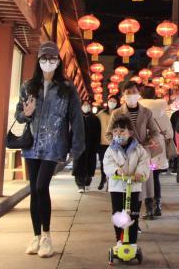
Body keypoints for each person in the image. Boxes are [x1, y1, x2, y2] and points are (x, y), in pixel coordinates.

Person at [15, 41, 85, 258]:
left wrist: (77, 146)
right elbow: (19, 116)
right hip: (32, 144)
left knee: (41, 186)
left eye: (52, 59)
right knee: (33, 190)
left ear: (58, 61)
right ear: (38, 61)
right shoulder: (28, 86)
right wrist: (26, 113)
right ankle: (36, 236)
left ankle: (46, 237)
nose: (48, 62)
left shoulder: (66, 87)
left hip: (55, 145)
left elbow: (76, 117)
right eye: (44, 58)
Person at [111, 82, 161, 219]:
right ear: (123, 95)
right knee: (126, 191)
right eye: (127, 93)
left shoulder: (146, 112)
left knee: (140, 190)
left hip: (142, 154)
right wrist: (120, 142)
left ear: (139, 94)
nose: (131, 95)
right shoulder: (117, 113)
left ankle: (135, 219)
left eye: (133, 92)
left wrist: (152, 139)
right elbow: (109, 134)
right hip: (124, 155)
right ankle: (127, 219)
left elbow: (155, 131)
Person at [103, 115, 150, 249]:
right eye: (115, 131)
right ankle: (119, 240)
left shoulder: (139, 149)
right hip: (117, 187)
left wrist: (140, 173)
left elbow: (144, 162)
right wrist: (116, 171)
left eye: (122, 131)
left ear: (130, 133)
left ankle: (132, 242)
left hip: (134, 187)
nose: (118, 134)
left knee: (133, 214)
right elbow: (107, 164)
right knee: (118, 214)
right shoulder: (111, 150)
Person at [139, 85, 173, 218]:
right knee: (156, 177)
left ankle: (149, 209)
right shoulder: (162, 111)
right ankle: (157, 205)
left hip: (145, 148)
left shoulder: (140, 110)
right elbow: (169, 132)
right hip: (159, 149)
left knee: (146, 179)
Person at [74, 99, 101, 193]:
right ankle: (80, 185)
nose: (86, 106)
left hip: (91, 146)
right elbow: (72, 132)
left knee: (90, 165)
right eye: (84, 104)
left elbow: (98, 133)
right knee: (78, 166)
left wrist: (97, 146)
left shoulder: (95, 118)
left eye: (87, 104)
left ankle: (87, 183)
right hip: (78, 146)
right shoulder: (77, 118)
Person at [96, 96, 118, 190]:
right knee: (103, 163)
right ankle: (103, 179)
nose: (112, 102)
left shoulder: (118, 113)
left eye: (114, 101)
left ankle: (111, 182)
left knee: (114, 163)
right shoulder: (101, 113)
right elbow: (94, 120)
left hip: (114, 142)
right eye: (110, 101)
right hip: (102, 142)